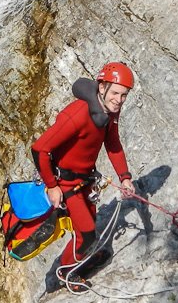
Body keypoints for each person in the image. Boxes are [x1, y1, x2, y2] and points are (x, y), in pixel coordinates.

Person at [31, 61, 136, 276]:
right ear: (102, 87)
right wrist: (52, 186)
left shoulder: (109, 112)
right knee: (87, 233)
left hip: (84, 181)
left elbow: (113, 144)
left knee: (88, 226)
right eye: (116, 93)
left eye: (124, 95)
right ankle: (66, 273)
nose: (119, 100)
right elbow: (40, 149)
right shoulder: (78, 113)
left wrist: (124, 177)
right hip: (66, 183)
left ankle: (82, 256)